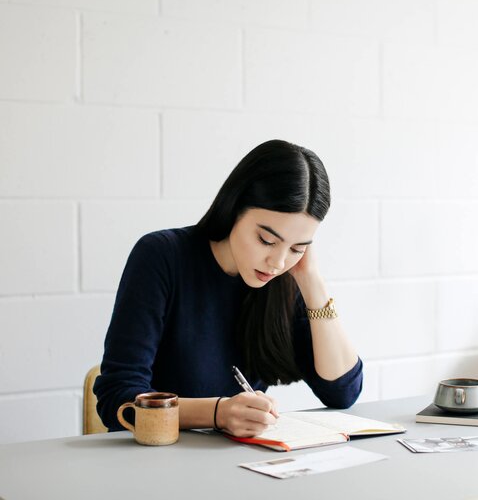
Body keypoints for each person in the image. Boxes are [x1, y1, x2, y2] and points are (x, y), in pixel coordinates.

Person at [94, 139, 362, 437]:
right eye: (267, 240)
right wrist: (219, 413)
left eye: (298, 248)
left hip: (241, 467)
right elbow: (117, 401)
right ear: (235, 207)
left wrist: (312, 281)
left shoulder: (284, 277)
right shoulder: (161, 256)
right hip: (157, 463)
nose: (277, 262)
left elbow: (342, 392)